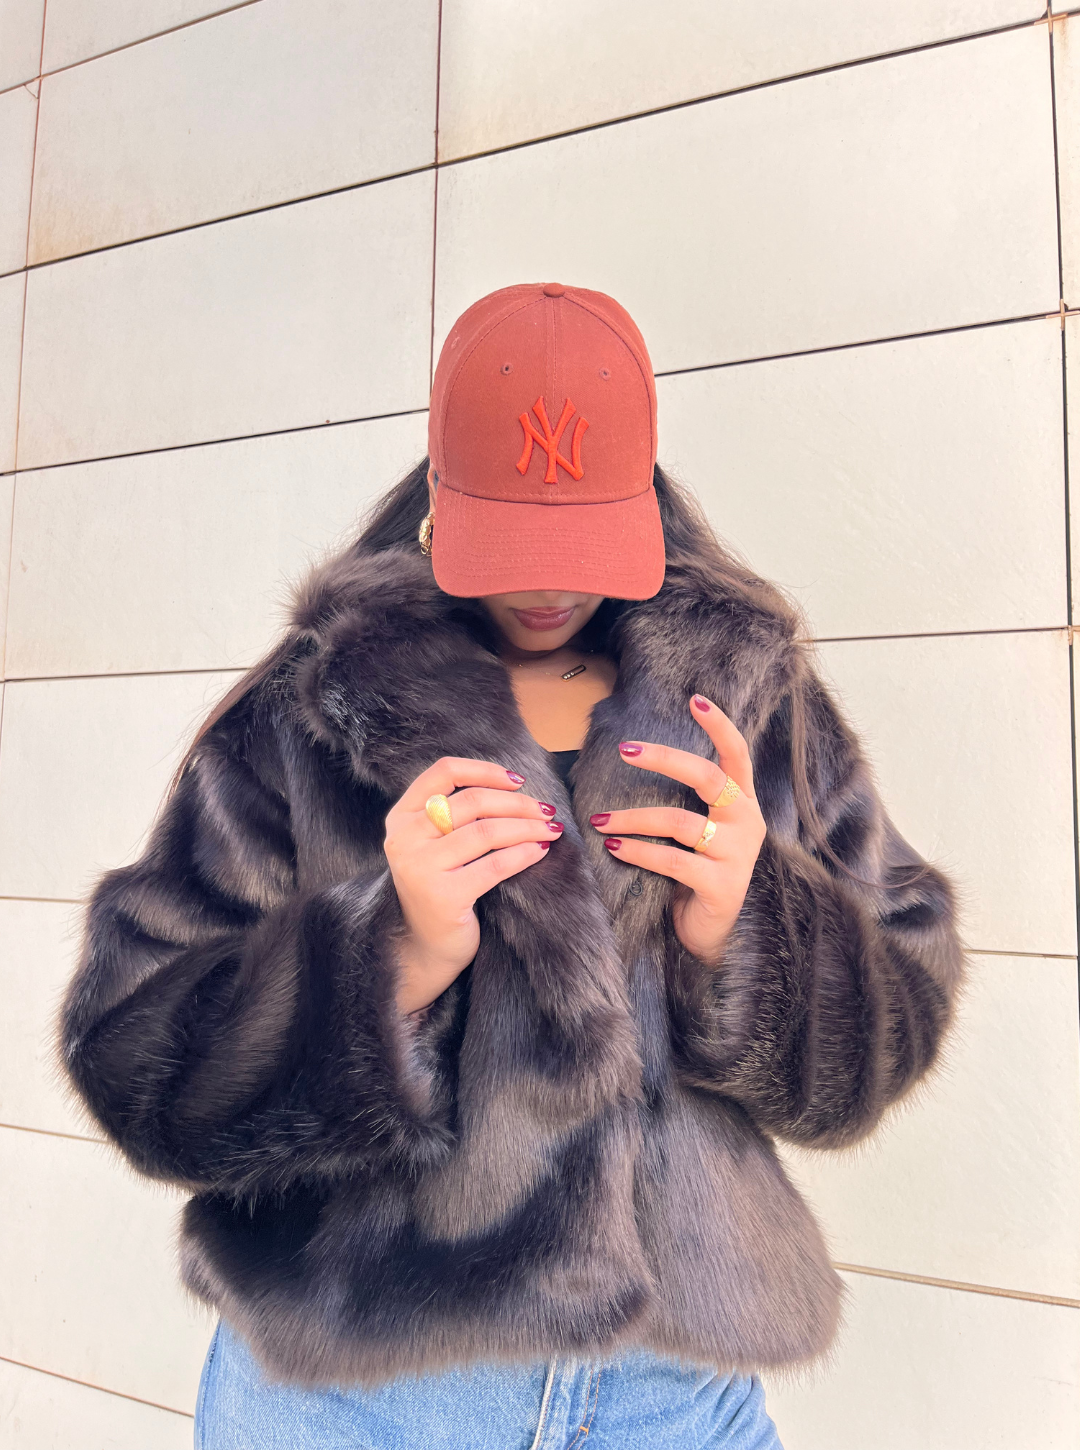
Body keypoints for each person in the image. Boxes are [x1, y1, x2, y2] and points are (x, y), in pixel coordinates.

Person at [58, 283, 964, 1449]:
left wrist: (755, 933)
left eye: (581, 544)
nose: (548, 586)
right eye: (513, 544)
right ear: (441, 499)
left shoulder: (751, 699)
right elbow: (134, 1057)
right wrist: (381, 960)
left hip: (668, 1398)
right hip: (355, 1397)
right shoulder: (310, 713)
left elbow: (904, 996)